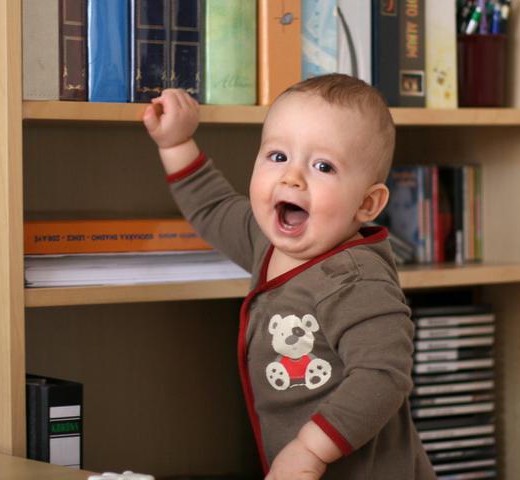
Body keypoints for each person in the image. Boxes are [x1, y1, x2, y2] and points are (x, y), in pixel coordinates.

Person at [143, 74, 435, 480]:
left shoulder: (356, 281)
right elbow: (213, 206)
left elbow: (383, 376)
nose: (292, 177)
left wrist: (311, 448)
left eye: (323, 166)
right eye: (278, 156)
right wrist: (176, 143)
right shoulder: (267, 242)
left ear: (368, 203)